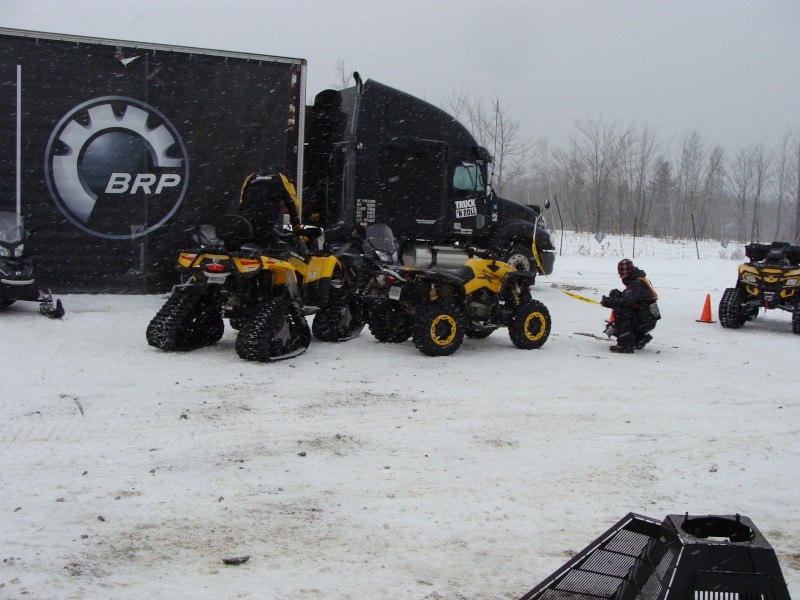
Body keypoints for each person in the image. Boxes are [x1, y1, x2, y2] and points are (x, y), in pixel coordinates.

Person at [600, 258, 660, 353]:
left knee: (620, 312)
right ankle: (638, 339)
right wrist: (617, 295)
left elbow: (627, 302)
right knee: (622, 311)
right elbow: (632, 298)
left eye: (623, 275)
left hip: (644, 320)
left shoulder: (637, 283)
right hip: (646, 318)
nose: (621, 277)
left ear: (629, 272)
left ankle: (625, 345)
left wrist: (609, 301)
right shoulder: (638, 280)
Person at [238, 170, 302, 248]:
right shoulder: (281, 178)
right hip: (263, 226)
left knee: (242, 251)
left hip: (244, 224)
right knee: (276, 252)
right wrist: (296, 224)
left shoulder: (251, 177)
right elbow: (293, 202)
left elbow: (241, 201)